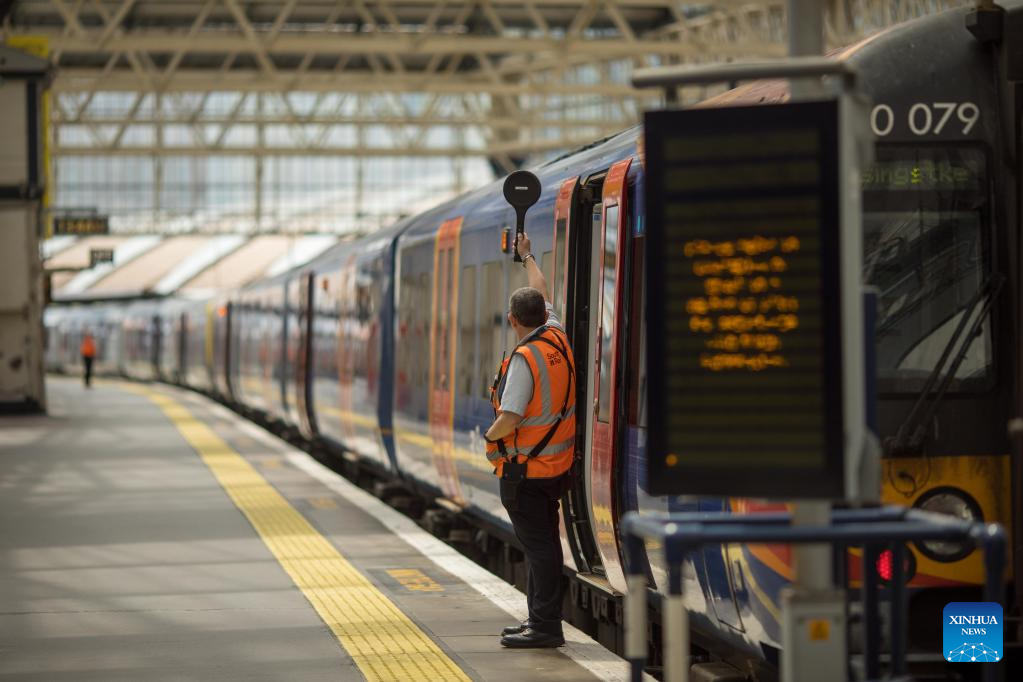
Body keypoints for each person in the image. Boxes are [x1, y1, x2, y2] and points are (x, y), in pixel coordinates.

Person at [485, 233, 576, 649]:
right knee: (544, 546)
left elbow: (511, 417)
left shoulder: (525, 357)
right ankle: (538, 620)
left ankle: (544, 627)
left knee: (540, 549)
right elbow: (540, 290)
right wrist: (527, 257)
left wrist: (489, 435)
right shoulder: (556, 337)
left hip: (526, 471)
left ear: (512, 319)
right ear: (543, 314)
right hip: (555, 468)